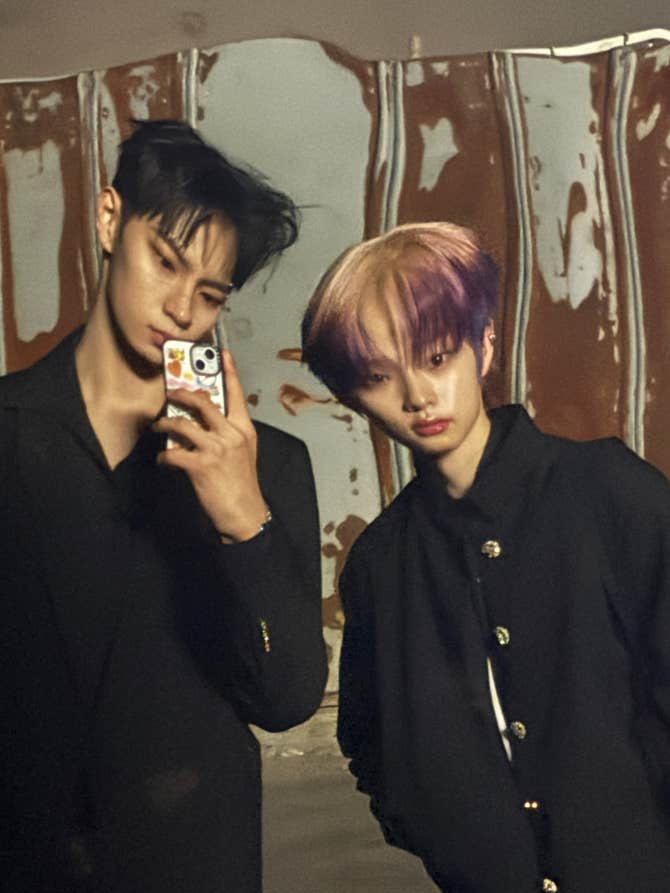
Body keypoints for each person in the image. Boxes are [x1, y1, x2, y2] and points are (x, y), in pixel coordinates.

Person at [0, 119, 327, 893]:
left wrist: (244, 519)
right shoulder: (8, 434)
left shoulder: (271, 464)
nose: (182, 307)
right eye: (166, 261)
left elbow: (285, 700)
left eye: (210, 294)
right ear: (109, 218)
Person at [301, 221, 670, 892]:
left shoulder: (606, 490)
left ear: (486, 343)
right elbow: (370, 742)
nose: (418, 396)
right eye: (381, 376)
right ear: (352, 395)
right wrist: (446, 837)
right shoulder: (381, 565)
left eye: (437, 357)